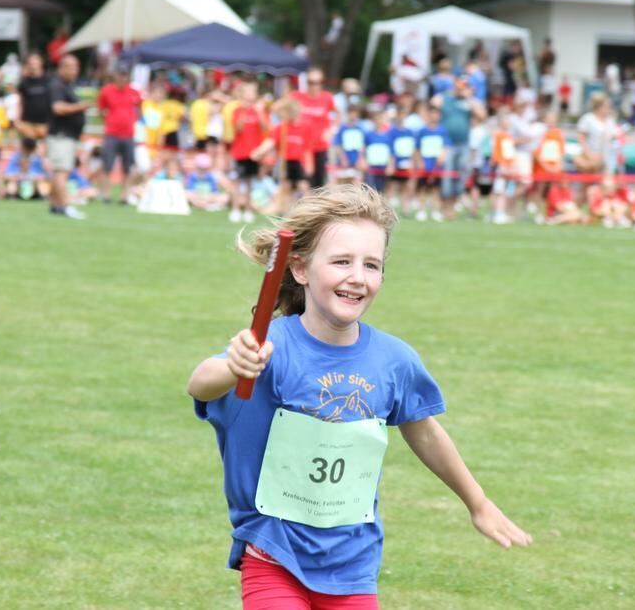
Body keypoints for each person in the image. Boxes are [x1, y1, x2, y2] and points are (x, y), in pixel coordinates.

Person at [186, 184, 531, 609]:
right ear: (300, 269)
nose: (357, 277)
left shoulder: (394, 360)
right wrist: (232, 365)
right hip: (273, 553)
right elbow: (202, 384)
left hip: (352, 563)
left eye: (372, 265)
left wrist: (478, 503)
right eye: (342, 261)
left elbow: (424, 432)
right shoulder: (269, 348)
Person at [46, 54, 90, 219]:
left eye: (77, 67)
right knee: (61, 171)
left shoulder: (68, 85)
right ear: (62, 67)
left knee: (62, 170)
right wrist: (80, 107)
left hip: (67, 135)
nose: (75, 70)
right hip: (60, 135)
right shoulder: (57, 85)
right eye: (72, 67)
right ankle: (65, 205)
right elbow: (57, 108)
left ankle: (55, 204)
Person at [435, 76, 486, 220]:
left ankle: (452, 207)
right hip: (447, 144)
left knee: (461, 177)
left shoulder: (469, 102)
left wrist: (469, 98)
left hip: (463, 144)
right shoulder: (445, 98)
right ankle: (445, 208)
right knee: (447, 176)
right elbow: (433, 104)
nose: (461, 89)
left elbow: (482, 115)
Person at [97, 65, 142, 205]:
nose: (123, 77)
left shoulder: (134, 92)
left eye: (125, 74)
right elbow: (101, 109)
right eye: (120, 74)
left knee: (127, 166)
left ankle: (125, 195)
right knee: (107, 165)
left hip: (128, 134)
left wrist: (132, 119)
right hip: (112, 133)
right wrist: (109, 120)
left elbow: (139, 109)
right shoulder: (107, 91)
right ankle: (105, 194)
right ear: (115, 75)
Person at [229, 81, 269, 223]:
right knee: (237, 182)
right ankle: (235, 209)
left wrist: (259, 111)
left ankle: (248, 209)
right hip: (240, 152)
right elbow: (238, 128)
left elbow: (265, 128)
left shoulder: (258, 110)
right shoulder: (237, 110)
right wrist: (245, 111)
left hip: (254, 153)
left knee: (250, 183)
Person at [291, 68, 336, 188]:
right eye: (310, 82)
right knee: (303, 179)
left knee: (318, 180)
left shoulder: (327, 98)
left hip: (319, 145)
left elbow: (338, 114)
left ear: (321, 83)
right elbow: (281, 107)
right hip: (303, 147)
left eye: (317, 82)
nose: (313, 86)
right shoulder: (297, 96)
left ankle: (317, 204)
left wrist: (331, 130)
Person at [17, 53, 51, 142]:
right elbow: (20, 102)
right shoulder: (24, 82)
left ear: (41, 63)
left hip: (45, 123)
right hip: (28, 123)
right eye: (30, 63)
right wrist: (18, 121)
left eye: (35, 62)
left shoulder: (49, 79)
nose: (33, 65)